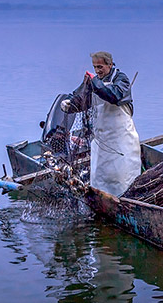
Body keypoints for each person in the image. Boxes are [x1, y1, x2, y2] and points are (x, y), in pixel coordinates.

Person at [60, 51, 141, 197]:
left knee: (122, 175)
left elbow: (114, 95)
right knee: (101, 178)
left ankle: (126, 198)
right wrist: (69, 104)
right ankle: (102, 200)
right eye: (95, 67)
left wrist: (94, 82)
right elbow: (82, 100)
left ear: (110, 65)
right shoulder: (95, 81)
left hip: (121, 139)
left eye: (100, 67)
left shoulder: (121, 79)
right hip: (101, 140)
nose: (97, 70)